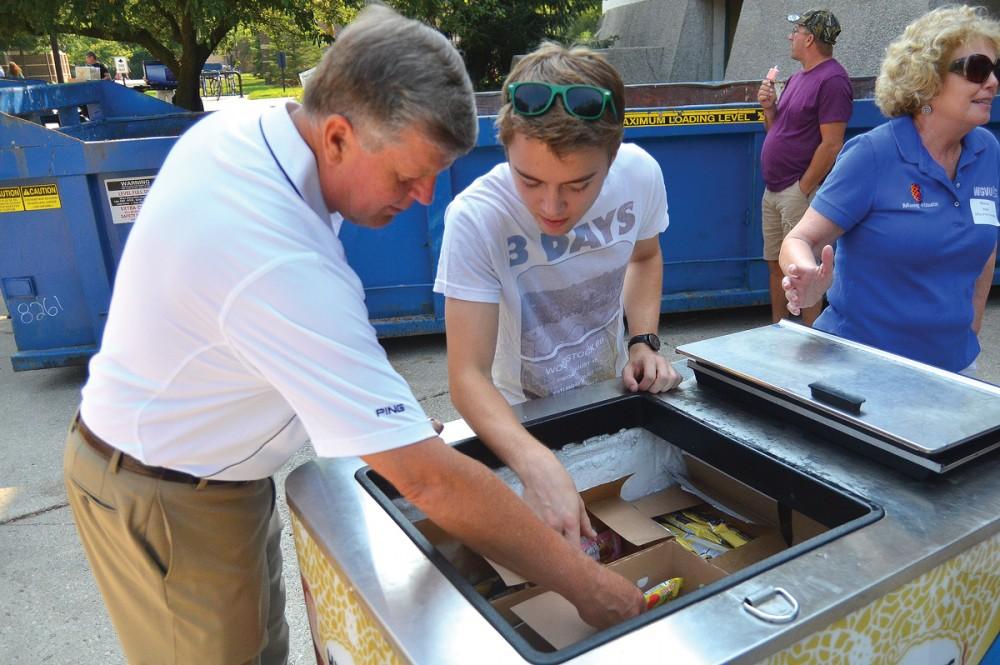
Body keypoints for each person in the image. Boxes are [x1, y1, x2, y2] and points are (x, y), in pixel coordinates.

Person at [63, 7, 643, 665]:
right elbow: (432, 483)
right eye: (406, 175)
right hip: (166, 496)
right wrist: (593, 588)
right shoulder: (276, 255)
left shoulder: (255, 130)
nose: (425, 196)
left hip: (207, 472)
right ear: (338, 134)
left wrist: (372, 410)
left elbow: (262, 339)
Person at [434, 43, 680, 546]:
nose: (551, 206)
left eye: (578, 183)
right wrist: (535, 463)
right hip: (515, 421)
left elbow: (645, 256)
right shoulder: (476, 217)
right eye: (529, 180)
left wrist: (643, 342)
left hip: (608, 398)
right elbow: (467, 376)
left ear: (612, 155)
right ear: (504, 146)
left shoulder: (639, 174)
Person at [780, 5, 1000, 375]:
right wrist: (806, 276)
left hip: (953, 370)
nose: (992, 82)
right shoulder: (873, 155)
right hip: (860, 371)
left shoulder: (987, 151)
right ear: (927, 79)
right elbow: (800, 239)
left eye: (996, 69)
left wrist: (970, 334)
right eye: (978, 70)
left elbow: (984, 250)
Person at [757, 9, 853, 325]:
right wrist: (769, 108)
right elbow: (778, 132)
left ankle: (812, 337)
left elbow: (832, 144)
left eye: (795, 31)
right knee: (776, 264)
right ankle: (777, 331)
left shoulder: (833, 81)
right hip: (774, 189)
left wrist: (804, 188)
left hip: (797, 192)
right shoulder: (798, 78)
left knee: (806, 271)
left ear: (809, 38)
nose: (790, 36)